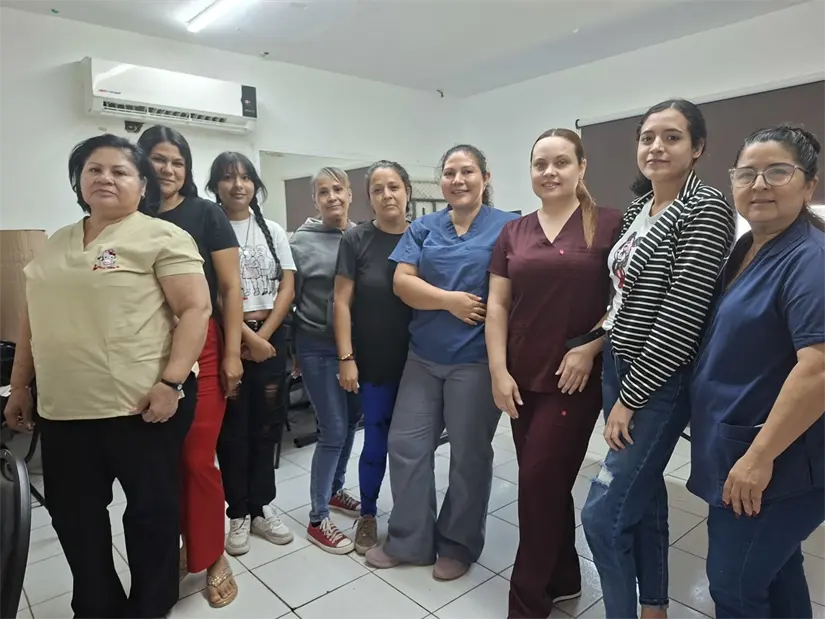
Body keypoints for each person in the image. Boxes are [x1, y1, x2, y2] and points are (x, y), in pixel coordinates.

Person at [3, 134, 210, 619]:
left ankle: (150, 607)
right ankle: (96, 606)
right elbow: (33, 319)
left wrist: (172, 383)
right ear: (79, 181)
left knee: (151, 517)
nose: (105, 178)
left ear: (142, 184)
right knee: (75, 519)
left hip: (144, 408)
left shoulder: (162, 236)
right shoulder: (55, 243)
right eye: (94, 169)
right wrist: (19, 384)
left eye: (120, 171)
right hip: (64, 409)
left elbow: (196, 309)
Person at [579, 99, 736, 619]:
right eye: (648, 137)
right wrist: (598, 342)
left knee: (602, 515)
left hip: (657, 377)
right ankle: (653, 607)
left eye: (672, 137)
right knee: (642, 495)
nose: (656, 147)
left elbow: (681, 315)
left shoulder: (707, 208)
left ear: (698, 148)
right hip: (618, 363)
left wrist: (630, 396)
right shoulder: (638, 209)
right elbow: (620, 297)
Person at [689, 125, 825, 619]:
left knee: (735, 585)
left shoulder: (810, 260)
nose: (760, 184)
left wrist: (758, 457)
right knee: (777, 569)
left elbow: (818, 369)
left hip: (776, 465)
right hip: (739, 446)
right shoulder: (749, 247)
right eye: (747, 173)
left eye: (778, 171)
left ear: (809, 183)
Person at [365, 145, 519, 581]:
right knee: (407, 446)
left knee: (470, 456)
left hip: (474, 362)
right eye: (449, 173)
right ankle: (409, 539)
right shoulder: (425, 228)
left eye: (467, 171)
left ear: (485, 178)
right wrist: (449, 301)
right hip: (423, 357)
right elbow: (402, 283)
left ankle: (458, 542)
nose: (458, 180)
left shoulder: (508, 226)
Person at [486, 129, 622, 619]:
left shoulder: (610, 225)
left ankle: (525, 605)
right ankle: (563, 576)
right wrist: (498, 371)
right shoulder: (514, 232)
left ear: (581, 168)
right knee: (544, 484)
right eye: (540, 163)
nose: (549, 171)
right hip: (521, 379)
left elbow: (626, 300)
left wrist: (592, 346)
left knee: (536, 489)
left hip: (573, 379)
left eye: (561, 162)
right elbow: (498, 305)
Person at [136, 126, 243, 608]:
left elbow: (229, 289)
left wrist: (234, 352)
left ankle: (213, 553)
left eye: (177, 162)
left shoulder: (206, 214)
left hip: (202, 345)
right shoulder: (129, 218)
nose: (168, 170)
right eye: (159, 159)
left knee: (197, 459)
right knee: (160, 465)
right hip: (141, 353)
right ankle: (187, 543)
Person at [207, 152, 296, 555]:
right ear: (215, 186)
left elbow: (287, 285)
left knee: (266, 427)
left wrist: (266, 336)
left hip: (271, 338)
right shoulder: (209, 226)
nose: (237, 185)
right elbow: (211, 291)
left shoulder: (272, 229)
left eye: (245, 177)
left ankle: (263, 507)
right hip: (228, 337)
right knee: (233, 431)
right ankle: (237, 512)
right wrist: (243, 335)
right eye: (227, 178)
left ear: (255, 184)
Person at [333, 161, 413, 555]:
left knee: (413, 446)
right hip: (376, 361)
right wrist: (346, 357)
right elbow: (342, 302)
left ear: (407, 191)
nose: (387, 195)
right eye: (378, 190)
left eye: (394, 187)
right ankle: (367, 514)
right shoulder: (356, 240)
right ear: (369, 199)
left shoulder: (423, 237)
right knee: (377, 441)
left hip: (420, 363)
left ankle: (411, 515)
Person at [290, 167, 362, 554]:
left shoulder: (361, 236)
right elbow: (292, 298)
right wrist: (295, 354)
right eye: (323, 192)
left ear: (350, 194)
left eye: (338, 189)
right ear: (315, 201)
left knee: (351, 421)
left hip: (356, 348)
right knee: (332, 430)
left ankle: (335, 490)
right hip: (317, 346)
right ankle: (318, 518)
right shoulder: (301, 242)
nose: (332, 197)